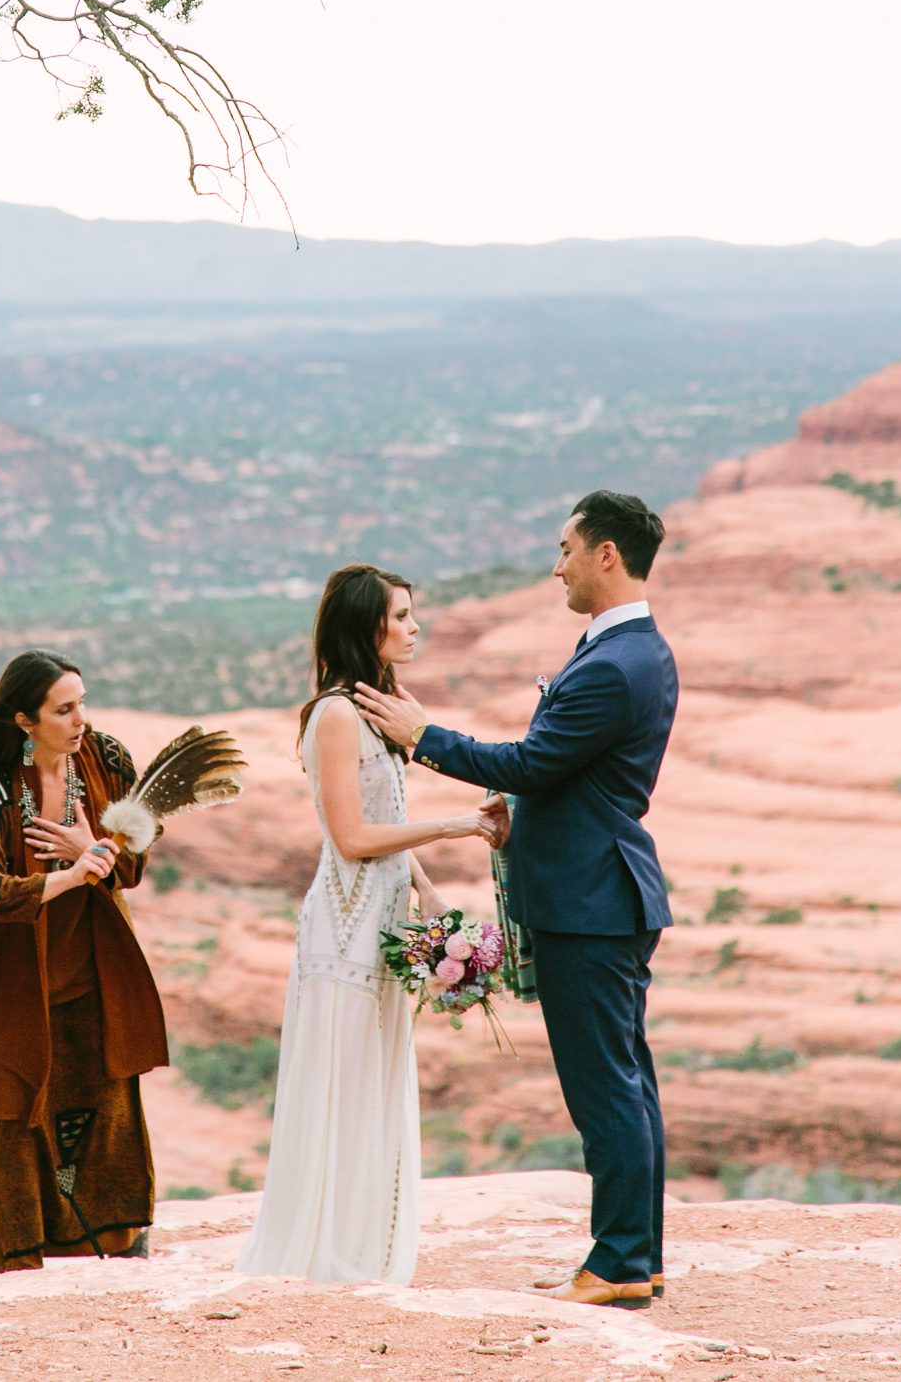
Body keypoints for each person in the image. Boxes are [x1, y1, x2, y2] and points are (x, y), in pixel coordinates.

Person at [356, 490, 677, 1312]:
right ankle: (635, 1256)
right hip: (599, 893)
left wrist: (421, 736)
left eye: (567, 547)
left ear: (606, 554)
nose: (556, 563)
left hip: (588, 904)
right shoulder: (631, 650)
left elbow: (534, 762)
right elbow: (573, 779)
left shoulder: (613, 663)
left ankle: (618, 1263)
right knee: (625, 1079)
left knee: (604, 1086)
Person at [237, 564, 498, 1285]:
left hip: (382, 926)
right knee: (340, 1088)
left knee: (371, 1086)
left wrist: (434, 900)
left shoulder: (371, 711)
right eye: (402, 616)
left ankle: (364, 1248)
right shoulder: (335, 716)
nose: (415, 627)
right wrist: (454, 826)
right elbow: (351, 837)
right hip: (343, 931)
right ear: (366, 626)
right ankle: (327, 1253)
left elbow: (381, 827)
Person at [0, 650, 168, 1273]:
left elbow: (132, 865)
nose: (81, 719)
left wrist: (94, 848)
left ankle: (108, 1239)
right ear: (25, 720)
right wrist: (72, 876)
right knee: (12, 1105)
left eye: (82, 702)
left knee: (104, 1101)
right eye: (64, 709)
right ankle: (21, 1255)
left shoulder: (106, 761)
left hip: (94, 965)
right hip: (10, 976)